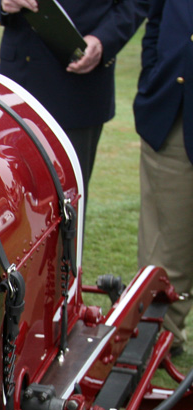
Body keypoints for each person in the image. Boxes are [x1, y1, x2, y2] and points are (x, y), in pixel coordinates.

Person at [0, 0, 141, 195]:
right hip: (18, 81)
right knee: (8, 196)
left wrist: (103, 40)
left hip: (76, 87)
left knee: (67, 201)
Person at [134, 0, 191, 356]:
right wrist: (153, 79)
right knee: (164, 244)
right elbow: (156, 20)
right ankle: (160, 340)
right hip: (173, 113)